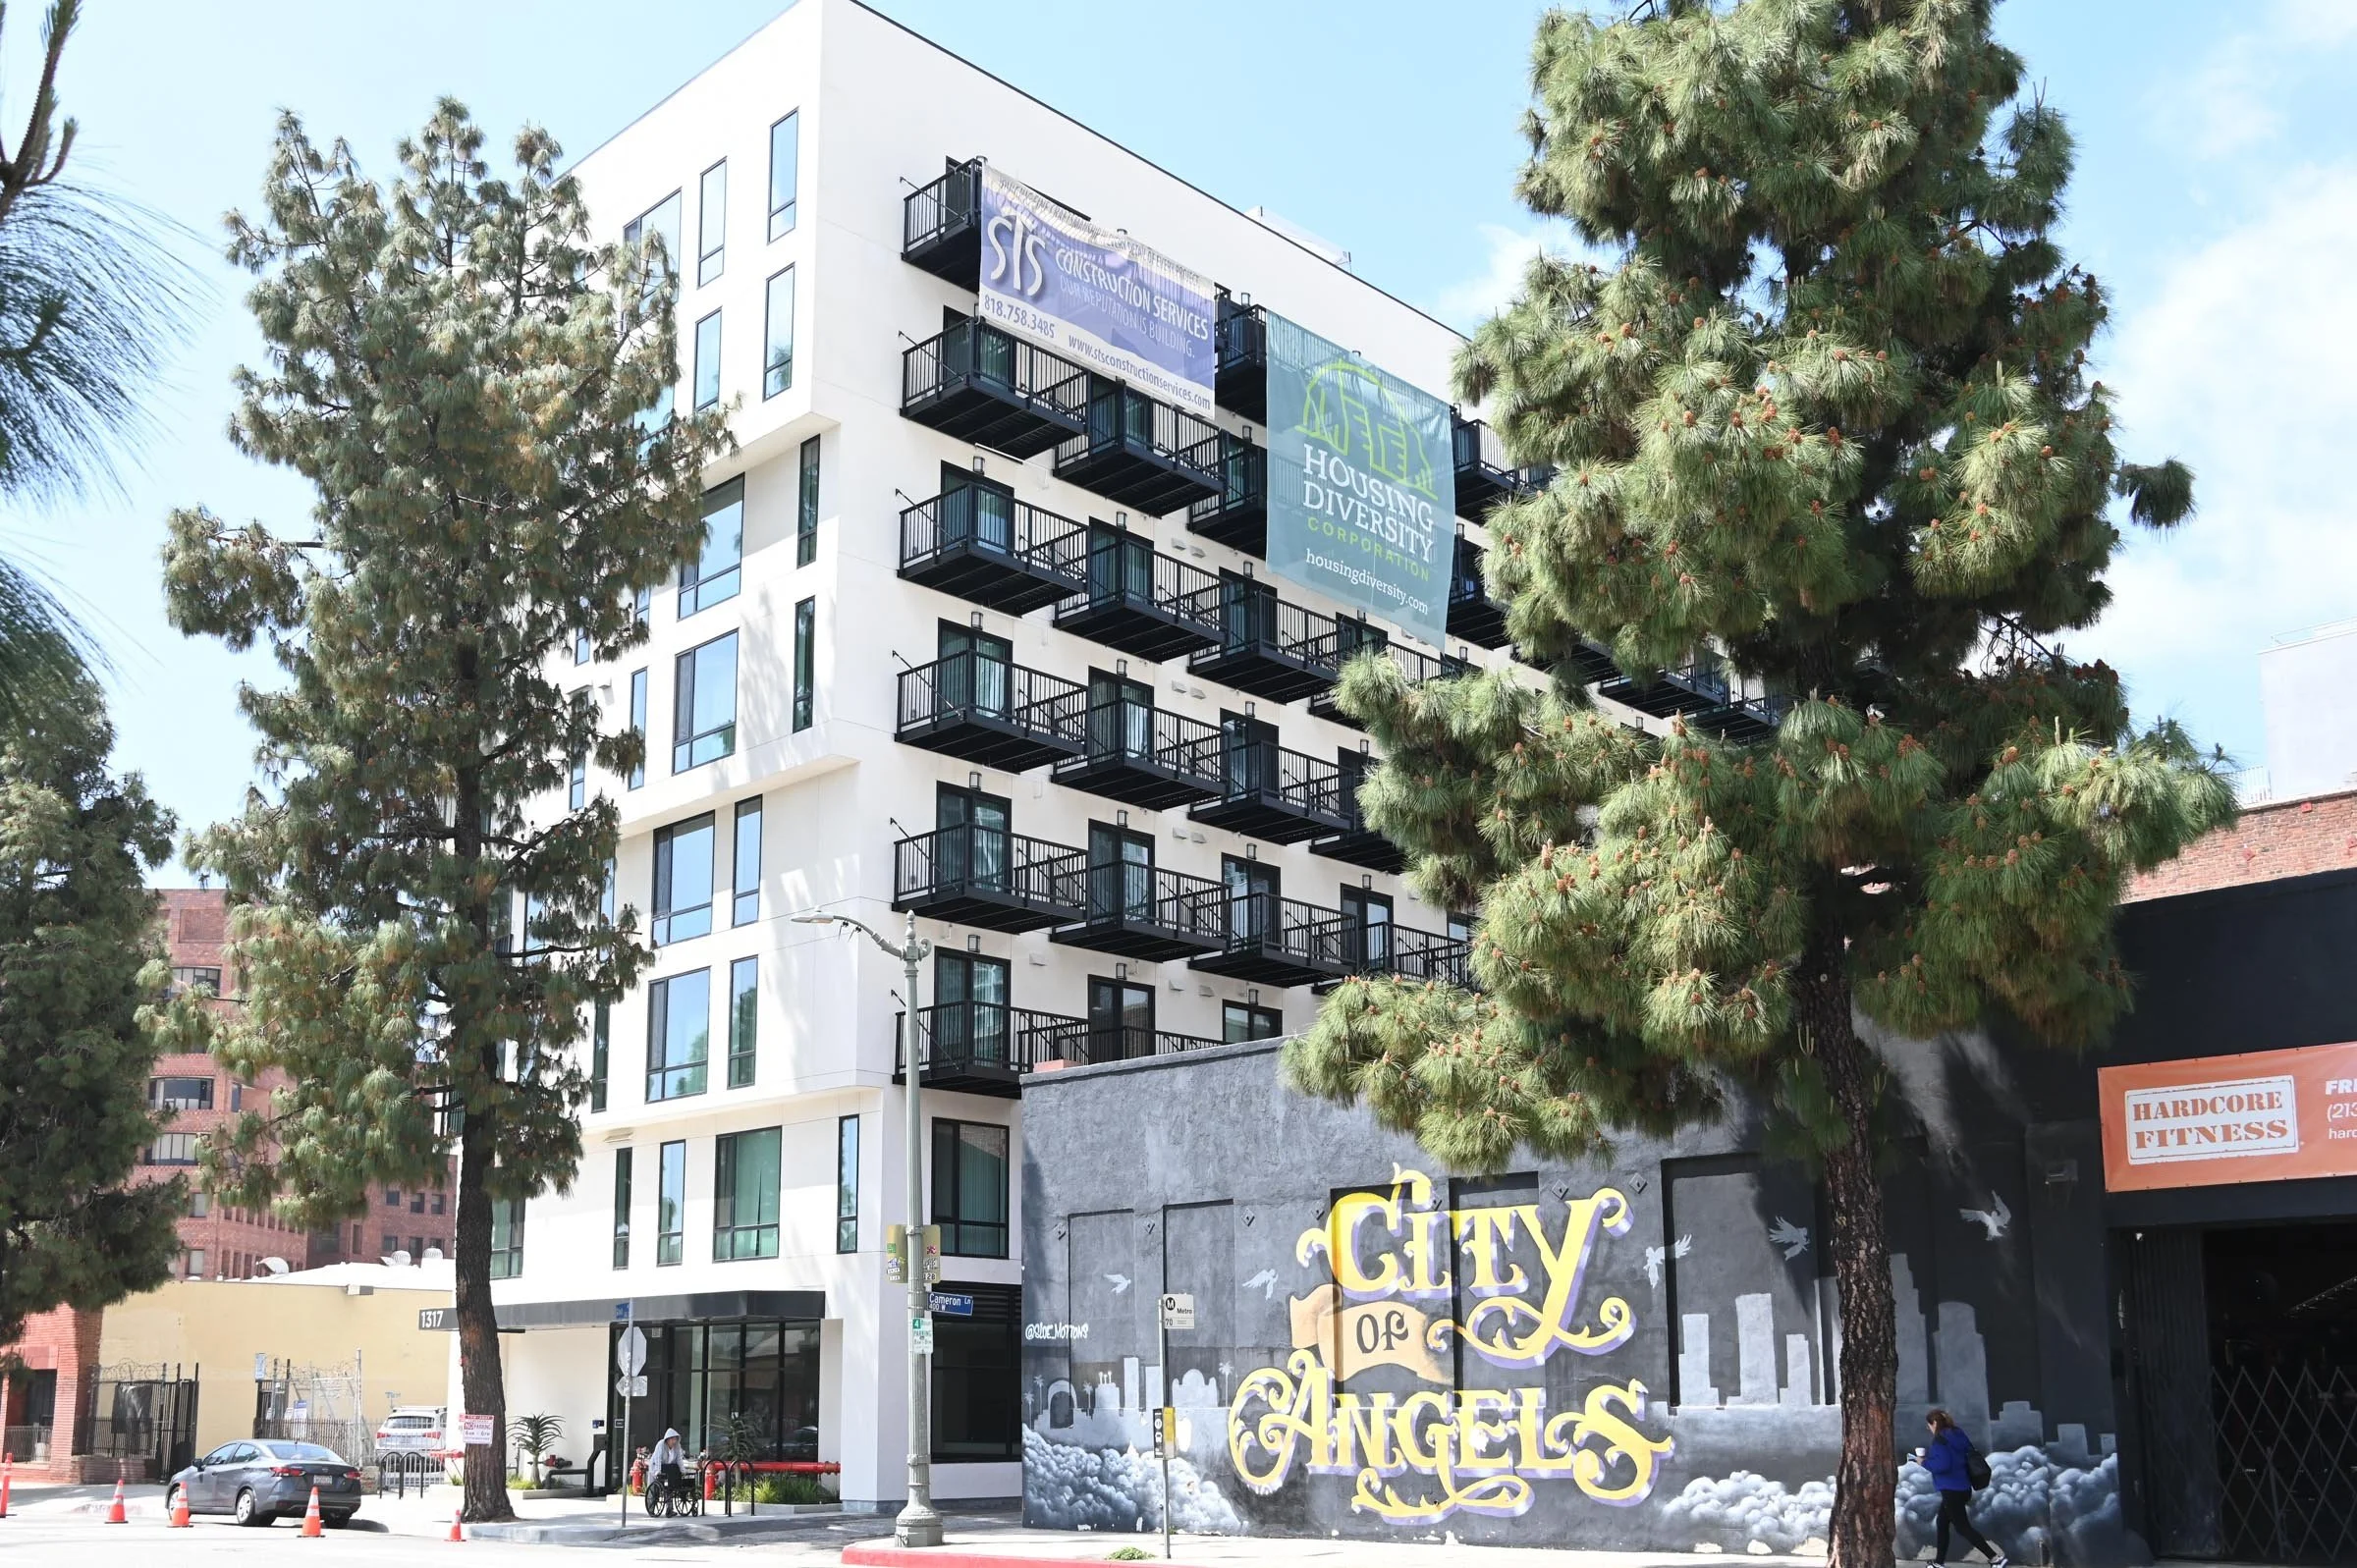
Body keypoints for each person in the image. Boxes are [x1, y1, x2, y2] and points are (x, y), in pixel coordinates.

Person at [1915, 1409, 2006, 1568]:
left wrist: (1923, 1462)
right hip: (1964, 1487)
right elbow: (1961, 1456)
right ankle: (1939, 1563)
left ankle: (1995, 1559)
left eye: (1928, 1425)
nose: (1929, 1429)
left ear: (1934, 1423)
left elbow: (1942, 1465)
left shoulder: (1939, 1440)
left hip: (1951, 1491)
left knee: (1963, 1528)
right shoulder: (1958, 1434)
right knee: (1942, 1522)